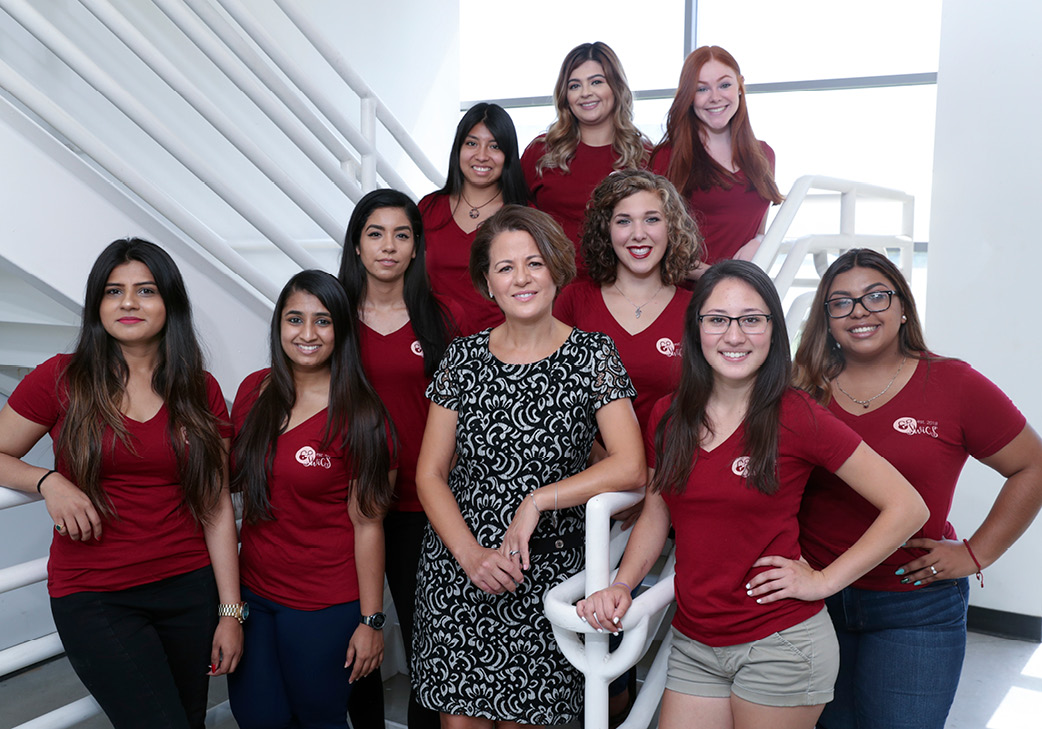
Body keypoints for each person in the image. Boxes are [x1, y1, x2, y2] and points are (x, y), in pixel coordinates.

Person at [577, 260, 928, 729]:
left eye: (752, 319)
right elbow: (657, 514)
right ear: (696, 329)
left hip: (780, 644)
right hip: (695, 642)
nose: (734, 336)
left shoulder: (797, 415)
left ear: (773, 331)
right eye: (718, 319)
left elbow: (908, 506)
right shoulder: (668, 415)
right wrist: (622, 584)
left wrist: (824, 581)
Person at [411, 205, 647, 728]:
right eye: (505, 267)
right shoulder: (462, 358)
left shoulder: (593, 355)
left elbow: (632, 467)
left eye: (534, 263)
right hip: (461, 576)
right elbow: (429, 473)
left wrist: (539, 499)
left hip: (551, 576)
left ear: (556, 270)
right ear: (487, 282)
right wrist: (469, 556)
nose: (522, 278)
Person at [791, 249, 1042, 729]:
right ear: (826, 319)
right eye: (840, 302)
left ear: (903, 306)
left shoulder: (954, 383)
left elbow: (1033, 464)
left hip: (914, 604)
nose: (859, 311)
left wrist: (976, 553)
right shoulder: (800, 387)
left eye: (876, 296)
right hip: (814, 604)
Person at [0, 238, 242, 729]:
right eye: (114, 291)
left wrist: (231, 611)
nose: (128, 302)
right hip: (96, 595)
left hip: (188, 589)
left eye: (145, 290)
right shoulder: (60, 378)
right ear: (98, 306)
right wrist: (48, 480)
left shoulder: (200, 388)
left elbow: (215, 505)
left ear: (169, 303)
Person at [227, 270, 396, 729]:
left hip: (324, 604)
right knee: (257, 717)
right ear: (279, 325)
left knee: (318, 718)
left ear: (340, 329)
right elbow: (226, 480)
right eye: (294, 319)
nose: (306, 334)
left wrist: (371, 621)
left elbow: (368, 525)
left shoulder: (361, 415)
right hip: (254, 595)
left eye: (322, 321)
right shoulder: (253, 390)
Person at [339, 189, 462, 729]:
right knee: (351, 635)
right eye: (375, 233)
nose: (388, 246)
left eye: (402, 234)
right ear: (357, 245)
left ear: (417, 248)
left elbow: (464, 412)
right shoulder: (332, 314)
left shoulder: (440, 317)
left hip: (420, 501)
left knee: (426, 642)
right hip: (344, 500)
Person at [556, 169, 701, 431]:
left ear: (672, 227)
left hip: (672, 466)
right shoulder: (573, 301)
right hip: (591, 468)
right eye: (623, 221)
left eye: (652, 219)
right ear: (605, 230)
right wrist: (615, 464)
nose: (638, 234)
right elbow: (553, 402)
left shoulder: (697, 309)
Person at [521, 42, 650, 276]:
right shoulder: (541, 153)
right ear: (565, 96)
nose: (585, 93)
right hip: (551, 288)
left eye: (596, 82)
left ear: (616, 87)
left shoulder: (646, 157)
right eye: (574, 85)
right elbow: (514, 217)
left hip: (623, 289)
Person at [651, 46, 783, 266]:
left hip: (742, 290)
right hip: (688, 291)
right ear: (689, 96)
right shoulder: (668, 156)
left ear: (740, 85)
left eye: (724, 85)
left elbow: (758, 228)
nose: (715, 97)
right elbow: (658, 245)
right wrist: (716, 278)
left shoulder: (764, 155)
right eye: (702, 89)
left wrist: (759, 241)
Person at [421, 102, 528, 334]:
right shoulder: (428, 208)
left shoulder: (524, 216)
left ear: (508, 154)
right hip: (436, 345)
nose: (481, 156)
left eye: (494, 146)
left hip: (504, 347)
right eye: (471, 143)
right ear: (458, 148)